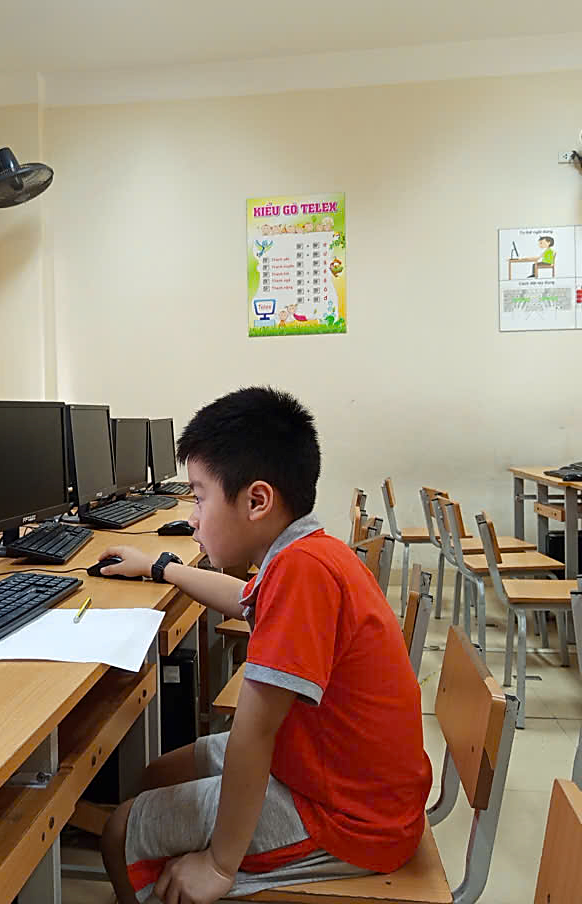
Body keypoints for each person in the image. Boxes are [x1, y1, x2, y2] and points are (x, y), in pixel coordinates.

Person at [96, 387, 431, 904]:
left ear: (256, 501)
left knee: (120, 832)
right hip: (328, 767)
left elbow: (253, 734)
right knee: (156, 774)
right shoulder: (304, 552)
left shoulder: (303, 574)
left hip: (349, 818)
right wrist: (162, 568)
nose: (192, 517)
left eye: (199, 497)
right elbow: (243, 600)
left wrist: (218, 864)